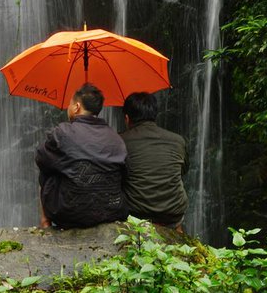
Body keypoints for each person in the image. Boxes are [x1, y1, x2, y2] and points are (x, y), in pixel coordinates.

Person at [34, 83, 128, 229]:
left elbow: (40, 157)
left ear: (77, 107)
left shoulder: (63, 132)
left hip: (69, 213)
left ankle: (45, 223)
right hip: (111, 212)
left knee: (47, 169)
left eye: (69, 104)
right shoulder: (116, 138)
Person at [120, 92, 189, 231]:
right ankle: (178, 237)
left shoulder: (119, 141)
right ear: (155, 115)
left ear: (127, 118)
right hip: (172, 214)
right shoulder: (178, 141)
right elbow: (183, 170)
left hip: (136, 215)